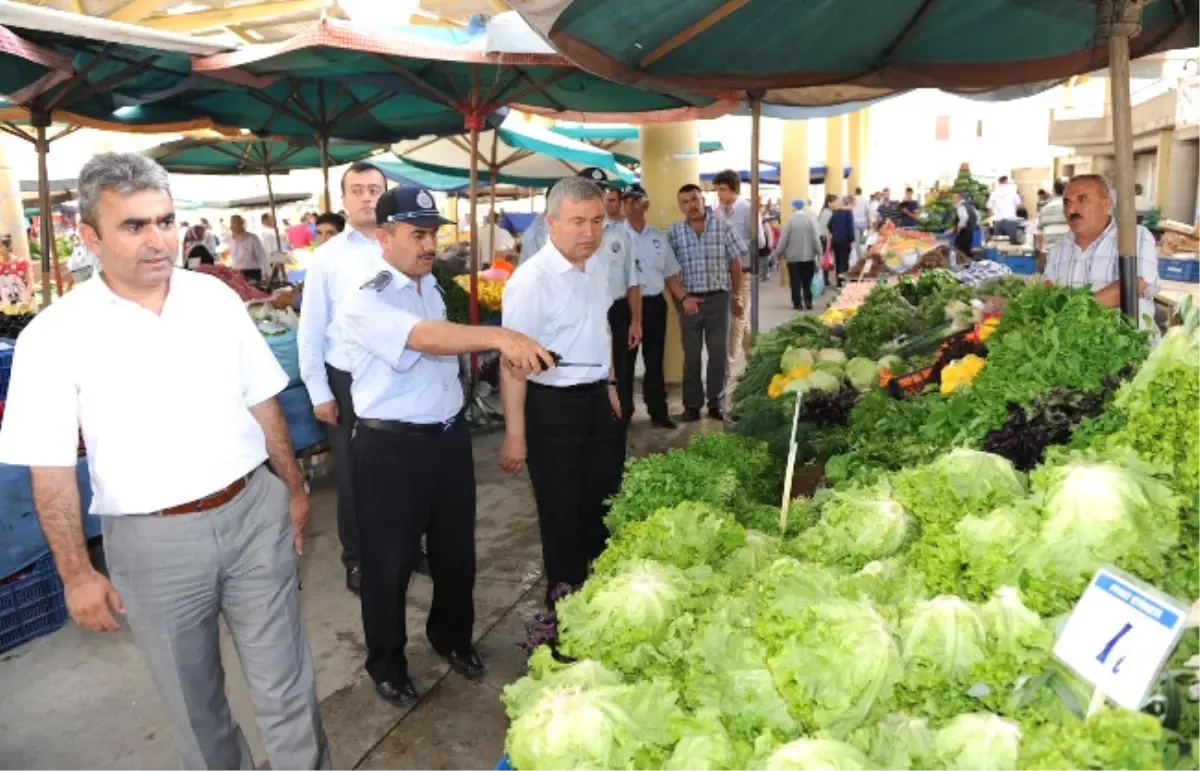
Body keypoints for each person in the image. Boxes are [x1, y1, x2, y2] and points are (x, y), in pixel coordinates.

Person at [0, 153, 329, 770]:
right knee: (195, 708)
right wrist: (75, 573)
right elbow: (47, 471)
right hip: (153, 544)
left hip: (252, 511)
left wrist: (290, 488)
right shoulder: (54, 334)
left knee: (287, 688)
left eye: (166, 221)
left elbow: (263, 400)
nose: (158, 240)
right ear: (91, 237)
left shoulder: (212, 298)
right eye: (134, 226)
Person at [339, 185, 551, 707]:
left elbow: (441, 338)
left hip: (447, 439)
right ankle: (387, 664)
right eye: (418, 234)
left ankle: (452, 638)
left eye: (433, 234)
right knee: (388, 565)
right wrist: (500, 337)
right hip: (390, 449)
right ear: (384, 237)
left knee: (457, 553)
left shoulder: (430, 285)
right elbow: (424, 338)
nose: (429, 245)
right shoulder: (365, 296)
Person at [499, 176, 621, 608]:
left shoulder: (597, 264)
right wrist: (516, 433)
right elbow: (511, 360)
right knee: (561, 516)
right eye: (576, 222)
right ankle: (562, 618)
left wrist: (609, 383)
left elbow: (601, 326)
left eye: (597, 221)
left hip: (594, 400)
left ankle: (601, 603)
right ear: (550, 223)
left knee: (602, 505)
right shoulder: (531, 282)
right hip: (552, 408)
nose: (589, 232)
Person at [297, 161, 387, 594]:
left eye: (375, 189)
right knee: (353, 477)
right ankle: (357, 557)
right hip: (347, 381)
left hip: (399, 376)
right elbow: (311, 329)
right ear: (344, 199)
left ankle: (408, 544)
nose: (368, 197)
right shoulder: (328, 258)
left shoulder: (403, 244)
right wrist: (319, 391)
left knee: (400, 469)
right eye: (358, 190)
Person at [667, 183, 747, 422]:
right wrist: (682, 300)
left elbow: (735, 264)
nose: (691, 205)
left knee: (718, 355)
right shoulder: (674, 232)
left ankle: (716, 403)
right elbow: (670, 271)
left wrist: (737, 296)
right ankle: (691, 406)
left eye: (694, 199)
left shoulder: (723, 227)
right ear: (680, 207)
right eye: (685, 202)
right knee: (691, 357)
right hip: (689, 302)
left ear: (703, 200)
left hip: (718, 300)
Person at [1044, 174, 1159, 328]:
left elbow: (1136, 283)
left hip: (1129, 344)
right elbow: (1048, 292)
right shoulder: (1058, 249)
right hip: (1073, 348)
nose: (1071, 209)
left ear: (1106, 204)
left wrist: (1073, 312)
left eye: (1082, 199)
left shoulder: (1134, 236)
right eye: (1067, 203)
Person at [622, 183, 686, 429]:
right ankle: (624, 412)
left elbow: (670, 275)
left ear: (645, 205)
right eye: (626, 201)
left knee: (654, 360)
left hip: (654, 304)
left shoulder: (659, 238)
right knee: (626, 362)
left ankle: (658, 411)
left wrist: (684, 298)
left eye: (634, 200)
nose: (629, 205)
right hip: (626, 306)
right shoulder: (616, 236)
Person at [711, 169, 766, 392]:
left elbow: (760, 241)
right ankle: (756, 362)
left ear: (733, 189)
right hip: (723, 272)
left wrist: (733, 244)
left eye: (722, 189)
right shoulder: (717, 212)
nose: (719, 194)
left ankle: (727, 371)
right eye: (717, 190)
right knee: (742, 322)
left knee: (736, 320)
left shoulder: (748, 209)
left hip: (743, 270)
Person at [519, 167, 611, 264]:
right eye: (585, 192)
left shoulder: (611, 227)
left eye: (600, 192)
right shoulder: (537, 232)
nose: (593, 197)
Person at [772, 199, 822, 311]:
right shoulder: (810, 221)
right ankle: (808, 302)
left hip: (793, 258)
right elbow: (815, 239)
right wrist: (819, 252)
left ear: (793, 207)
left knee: (795, 282)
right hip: (808, 257)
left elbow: (783, 240)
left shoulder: (789, 222)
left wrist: (778, 253)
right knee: (807, 282)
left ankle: (797, 304)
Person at [1035, 179, 1069, 263]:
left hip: (1048, 253)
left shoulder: (1044, 209)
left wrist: (1040, 253)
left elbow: (1039, 234)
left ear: (1054, 191)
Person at [228, 214, 267, 281]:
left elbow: (262, 256)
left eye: (234, 224)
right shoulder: (231, 239)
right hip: (237, 273)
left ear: (241, 224)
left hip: (252, 272)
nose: (232, 227)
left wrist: (265, 274)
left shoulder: (252, 238)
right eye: (231, 225)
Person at [828, 196, 857, 286]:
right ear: (850, 204)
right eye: (854, 205)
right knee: (844, 262)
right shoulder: (849, 213)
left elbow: (829, 224)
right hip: (845, 240)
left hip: (836, 240)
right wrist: (852, 240)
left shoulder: (836, 213)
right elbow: (850, 228)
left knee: (838, 260)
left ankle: (838, 283)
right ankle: (842, 282)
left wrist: (834, 232)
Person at [988, 175, 1023, 245]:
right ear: (1006, 181)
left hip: (998, 221)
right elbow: (1019, 204)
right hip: (1010, 220)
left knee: (997, 243)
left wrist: (992, 216)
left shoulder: (994, 193)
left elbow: (989, 207)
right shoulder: (1012, 191)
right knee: (1013, 243)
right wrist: (1013, 211)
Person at [0, 233, 33, 305]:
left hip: (22, 303)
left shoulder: (22, 262)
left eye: (1, 247)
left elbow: (29, 282)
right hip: (3, 306)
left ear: (8, 247)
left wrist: (26, 300)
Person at [950, 190, 979, 256]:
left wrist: (959, 228)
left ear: (958, 198)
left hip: (963, 232)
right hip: (969, 231)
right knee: (967, 249)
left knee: (961, 251)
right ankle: (968, 263)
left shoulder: (961, 206)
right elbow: (977, 216)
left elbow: (964, 217)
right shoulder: (970, 205)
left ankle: (964, 264)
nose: (952, 199)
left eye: (953, 198)